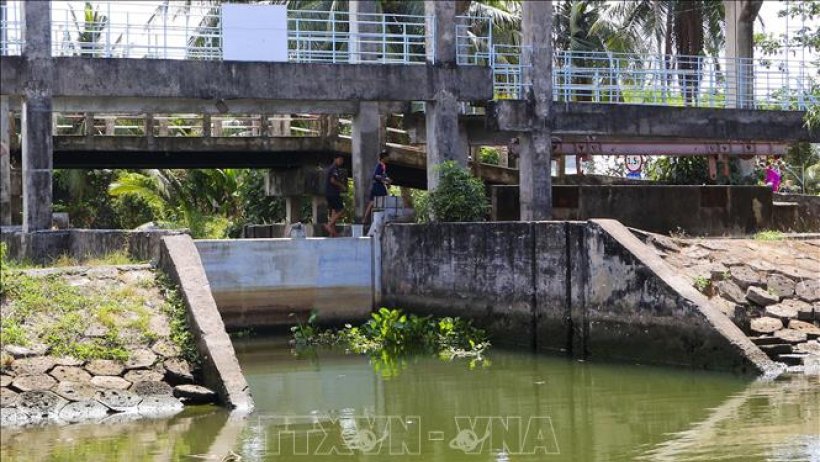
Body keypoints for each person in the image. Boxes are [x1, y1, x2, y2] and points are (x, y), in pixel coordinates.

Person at [364, 150, 392, 223]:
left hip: (377, 185)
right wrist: (386, 180)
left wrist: (387, 181)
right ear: (383, 158)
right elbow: (376, 176)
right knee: (384, 201)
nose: (388, 158)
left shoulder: (383, 166)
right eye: (387, 157)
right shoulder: (380, 165)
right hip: (378, 186)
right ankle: (384, 219)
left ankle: (366, 218)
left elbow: (382, 177)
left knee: (372, 202)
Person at [324, 154, 346, 237]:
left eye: (342, 160)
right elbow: (332, 180)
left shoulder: (331, 168)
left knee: (334, 212)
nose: (341, 161)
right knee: (341, 210)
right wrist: (341, 185)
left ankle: (332, 233)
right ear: (335, 159)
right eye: (340, 159)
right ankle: (329, 225)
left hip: (328, 193)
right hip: (333, 193)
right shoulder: (334, 168)